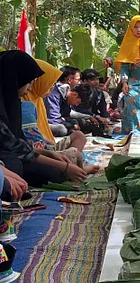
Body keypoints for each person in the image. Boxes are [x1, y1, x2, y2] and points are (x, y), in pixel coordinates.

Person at [0, 51, 87, 186]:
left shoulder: (12, 103)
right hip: (8, 160)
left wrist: (50, 154)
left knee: (49, 169)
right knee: (15, 165)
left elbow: (20, 143)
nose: (30, 88)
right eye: (28, 82)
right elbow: (15, 148)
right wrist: (62, 166)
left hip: (16, 156)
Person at [22, 60, 88, 158]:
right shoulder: (25, 103)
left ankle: (70, 160)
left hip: (46, 144)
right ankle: (69, 163)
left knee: (79, 136)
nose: (52, 88)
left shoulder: (38, 99)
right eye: (50, 84)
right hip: (38, 151)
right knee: (72, 147)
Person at [44, 66, 81, 137]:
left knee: (74, 122)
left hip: (58, 120)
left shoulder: (67, 93)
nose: (79, 82)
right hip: (50, 122)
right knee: (62, 129)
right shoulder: (53, 93)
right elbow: (53, 119)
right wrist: (68, 124)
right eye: (78, 80)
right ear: (69, 79)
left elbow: (66, 114)